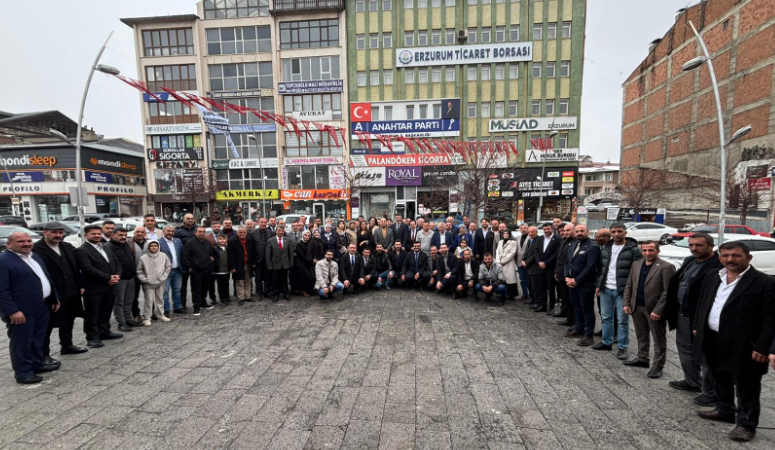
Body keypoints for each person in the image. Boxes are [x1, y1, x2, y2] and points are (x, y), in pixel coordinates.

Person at [692, 241, 775, 442]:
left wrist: (763, 347)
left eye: (736, 256)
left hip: (746, 344)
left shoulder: (764, 282)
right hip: (713, 337)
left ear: (748, 258)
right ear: (720, 257)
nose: (730, 259)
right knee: (717, 375)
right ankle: (724, 409)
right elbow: (704, 302)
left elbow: (771, 319)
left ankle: (746, 424)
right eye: (726, 255)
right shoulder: (714, 275)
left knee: (747, 384)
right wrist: (698, 325)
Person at [665, 233, 722, 406]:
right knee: (684, 348)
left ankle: (710, 392)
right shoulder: (689, 261)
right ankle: (692, 381)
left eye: (699, 245)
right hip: (683, 312)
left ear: (711, 246)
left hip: (701, 316)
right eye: (691, 245)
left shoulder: (718, 265)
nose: (694, 248)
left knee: (705, 354)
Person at [0, 232, 60, 384]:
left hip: (42, 306)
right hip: (22, 311)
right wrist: (12, 311)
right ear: (9, 244)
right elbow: (2, 289)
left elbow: (45, 277)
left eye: (28, 241)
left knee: (37, 339)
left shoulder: (34, 256)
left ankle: (37, 363)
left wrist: (53, 297)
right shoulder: (4, 260)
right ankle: (23, 372)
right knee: (22, 342)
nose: (26, 244)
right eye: (20, 241)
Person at [32, 222, 86, 361]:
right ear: (45, 232)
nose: (58, 235)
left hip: (71, 290)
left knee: (70, 319)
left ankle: (67, 345)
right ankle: (44, 353)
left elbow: (75, 268)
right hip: (52, 293)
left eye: (60, 232)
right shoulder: (36, 249)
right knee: (48, 324)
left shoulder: (67, 246)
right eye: (54, 232)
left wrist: (80, 285)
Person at [622, 241, 675, 378]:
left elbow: (668, 291)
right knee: (641, 334)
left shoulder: (666, 267)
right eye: (644, 250)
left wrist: (658, 310)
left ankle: (658, 365)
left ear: (657, 251)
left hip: (654, 309)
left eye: (651, 250)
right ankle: (642, 358)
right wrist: (627, 302)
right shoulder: (636, 264)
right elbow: (629, 284)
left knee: (658, 339)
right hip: (637, 306)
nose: (647, 253)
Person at [594, 222, 642, 358]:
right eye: (614, 231)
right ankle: (606, 342)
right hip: (606, 288)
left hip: (623, 290)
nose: (616, 234)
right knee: (606, 317)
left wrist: (632, 290)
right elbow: (601, 269)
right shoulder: (606, 248)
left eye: (619, 231)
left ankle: (622, 347)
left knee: (622, 320)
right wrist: (598, 284)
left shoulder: (634, 249)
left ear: (625, 233)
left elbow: (637, 272)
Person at [75, 224, 123, 348]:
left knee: (106, 310)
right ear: (86, 235)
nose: (97, 236)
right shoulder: (81, 250)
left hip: (110, 286)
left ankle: (104, 331)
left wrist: (116, 275)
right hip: (94, 287)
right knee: (92, 313)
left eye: (98, 233)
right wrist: (108, 278)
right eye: (93, 234)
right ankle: (92, 337)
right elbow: (88, 269)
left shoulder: (106, 247)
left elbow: (116, 262)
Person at [564, 225, 601, 347]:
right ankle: (578, 329)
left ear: (587, 232)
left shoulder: (593, 247)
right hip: (571, 282)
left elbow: (590, 267)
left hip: (584, 284)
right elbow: (567, 262)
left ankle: (588, 336)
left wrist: (577, 280)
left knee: (587, 310)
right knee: (577, 307)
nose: (579, 233)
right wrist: (566, 276)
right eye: (577, 231)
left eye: (582, 231)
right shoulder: (573, 245)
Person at [107, 228, 140, 332]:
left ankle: (128, 319)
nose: (123, 237)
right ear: (112, 235)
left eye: (125, 235)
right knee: (119, 302)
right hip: (120, 279)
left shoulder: (125, 245)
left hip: (130, 277)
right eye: (120, 235)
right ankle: (121, 323)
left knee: (129, 301)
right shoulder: (108, 247)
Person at [136, 240, 172, 326]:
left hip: (160, 281)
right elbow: (139, 271)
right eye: (151, 246)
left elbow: (168, 267)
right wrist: (145, 279)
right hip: (148, 283)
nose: (154, 247)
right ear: (148, 247)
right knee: (149, 301)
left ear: (158, 246)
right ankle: (147, 318)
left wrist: (164, 277)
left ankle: (161, 315)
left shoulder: (163, 256)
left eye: (155, 245)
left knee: (160, 299)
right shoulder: (143, 258)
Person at [181, 226, 215, 316]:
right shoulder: (190, 243)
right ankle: (196, 307)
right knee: (196, 289)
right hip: (196, 269)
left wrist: (210, 261)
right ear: (195, 233)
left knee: (205, 287)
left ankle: (203, 302)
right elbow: (185, 256)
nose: (202, 233)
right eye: (200, 231)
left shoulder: (207, 242)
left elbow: (210, 254)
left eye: (203, 231)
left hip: (206, 269)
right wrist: (189, 267)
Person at [531, 223, 561, 313]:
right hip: (540, 266)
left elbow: (556, 253)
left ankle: (551, 307)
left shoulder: (557, 239)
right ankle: (542, 305)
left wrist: (546, 263)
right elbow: (535, 250)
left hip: (550, 267)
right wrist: (539, 262)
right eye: (545, 229)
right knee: (541, 287)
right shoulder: (540, 238)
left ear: (552, 229)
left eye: (548, 229)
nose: (546, 231)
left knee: (551, 288)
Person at [555, 223, 576, 326]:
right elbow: (559, 257)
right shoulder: (563, 240)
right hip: (561, 273)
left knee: (570, 299)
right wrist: (557, 272)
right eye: (564, 230)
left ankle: (571, 319)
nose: (565, 232)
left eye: (568, 230)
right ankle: (565, 313)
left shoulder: (575, 242)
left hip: (569, 276)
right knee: (564, 297)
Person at [159, 225, 184, 314]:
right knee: (165, 292)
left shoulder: (178, 241)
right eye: (168, 231)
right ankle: (166, 309)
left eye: (172, 231)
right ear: (163, 231)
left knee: (177, 290)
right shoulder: (158, 242)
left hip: (177, 270)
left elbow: (181, 255)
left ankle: (177, 307)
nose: (170, 233)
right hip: (165, 272)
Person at [174, 213, 197, 310]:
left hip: (195, 262)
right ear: (184, 220)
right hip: (183, 262)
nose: (190, 220)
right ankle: (182, 304)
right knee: (182, 286)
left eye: (192, 218)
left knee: (195, 284)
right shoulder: (178, 232)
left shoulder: (197, 230)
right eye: (188, 218)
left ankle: (197, 302)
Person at [228, 226, 254, 306]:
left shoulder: (249, 240)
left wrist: (253, 263)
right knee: (240, 282)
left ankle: (248, 296)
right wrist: (232, 267)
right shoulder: (232, 241)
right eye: (240, 232)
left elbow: (253, 252)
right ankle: (241, 297)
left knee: (248, 281)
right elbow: (230, 255)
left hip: (248, 263)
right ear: (237, 233)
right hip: (238, 264)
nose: (242, 234)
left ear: (246, 233)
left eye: (244, 232)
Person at [266, 225, 292, 302]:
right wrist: (269, 265)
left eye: (282, 231)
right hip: (275, 264)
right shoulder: (270, 240)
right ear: (276, 231)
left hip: (285, 264)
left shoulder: (287, 240)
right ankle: (275, 295)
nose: (281, 232)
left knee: (285, 280)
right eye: (279, 231)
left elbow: (290, 253)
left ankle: (286, 293)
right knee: (275, 280)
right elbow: (268, 254)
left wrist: (290, 263)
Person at [251, 218, 271, 301]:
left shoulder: (271, 232)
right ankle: (259, 293)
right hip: (258, 259)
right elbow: (251, 248)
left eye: (265, 222)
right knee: (258, 277)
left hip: (268, 259)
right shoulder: (252, 233)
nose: (263, 224)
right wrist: (253, 261)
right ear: (258, 223)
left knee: (268, 277)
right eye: (262, 222)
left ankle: (267, 291)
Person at [130, 226, 148, 320]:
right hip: (134, 274)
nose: (140, 233)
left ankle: (150, 313)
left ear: (145, 233)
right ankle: (136, 314)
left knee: (150, 295)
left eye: (142, 232)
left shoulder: (149, 243)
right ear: (134, 233)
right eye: (138, 232)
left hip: (148, 273)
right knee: (134, 296)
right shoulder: (128, 243)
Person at [495, 229, 518, 300]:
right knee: (502, 280)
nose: (505, 235)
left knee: (510, 280)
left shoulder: (513, 242)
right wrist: (498, 261)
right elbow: (497, 251)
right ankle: (503, 294)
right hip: (500, 264)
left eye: (507, 233)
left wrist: (503, 261)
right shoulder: (500, 242)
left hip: (509, 263)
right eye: (504, 233)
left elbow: (512, 253)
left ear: (509, 234)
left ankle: (511, 295)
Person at [291, 230, 315, 296]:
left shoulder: (309, 243)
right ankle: (304, 291)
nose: (307, 237)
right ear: (302, 235)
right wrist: (311, 260)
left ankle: (310, 290)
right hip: (300, 263)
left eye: (308, 236)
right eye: (305, 235)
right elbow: (302, 255)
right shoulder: (299, 244)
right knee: (307, 276)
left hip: (306, 262)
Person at [522, 226, 540, 307]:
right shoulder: (529, 240)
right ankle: (532, 300)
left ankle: (537, 302)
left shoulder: (539, 240)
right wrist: (523, 259)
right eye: (529, 232)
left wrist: (527, 262)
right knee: (529, 285)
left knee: (535, 286)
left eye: (532, 232)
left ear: (536, 232)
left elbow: (535, 254)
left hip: (534, 267)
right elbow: (526, 252)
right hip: (528, 267)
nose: (530, 233)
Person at [212, 234, 231, 306]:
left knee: (226, 285)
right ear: (217, 240)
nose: (222, 240)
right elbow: (213, 260)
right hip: (218, 271)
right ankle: (222, 298)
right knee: (220, 285)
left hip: (226, 270)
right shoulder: (214, 249)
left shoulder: (228, 248)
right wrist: (213, 270)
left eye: (223, 239)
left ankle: (227, 297)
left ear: (226, 240)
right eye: (220, 239)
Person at [516, 224, 531, 301]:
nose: (523, 229)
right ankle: (525, 294)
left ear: (527, 229)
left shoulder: (530, 237)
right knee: (522, 279)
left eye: (525, 228)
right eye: (522, 228)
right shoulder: (517, 238)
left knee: (529, 280)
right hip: (519, 262)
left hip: (528, 263)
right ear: (520, 229)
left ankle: (531, 295)